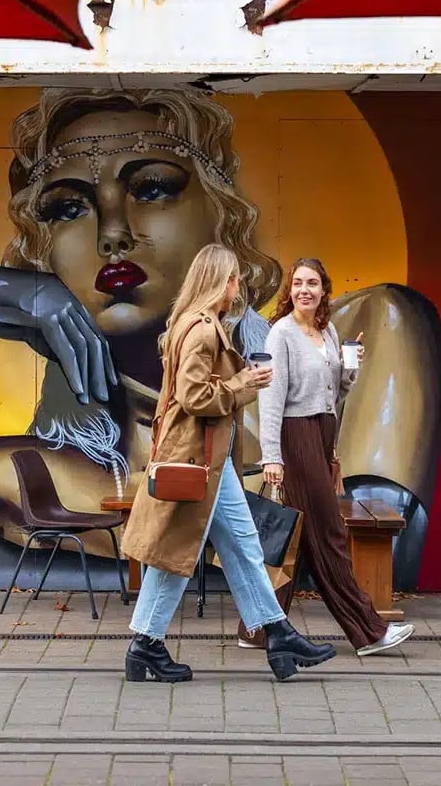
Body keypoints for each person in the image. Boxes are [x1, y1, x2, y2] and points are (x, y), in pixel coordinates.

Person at [0, 88, 441, 596]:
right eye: (67, 207)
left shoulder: (358, 329)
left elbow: (371, 570)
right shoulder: (29, 472)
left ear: (222, 220)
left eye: (154, 187)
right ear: (40, 258)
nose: (113, 232)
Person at [122, 244, 336, 683]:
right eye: (234, 277)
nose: (238, 286)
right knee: (180, 553)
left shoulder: (192, 324)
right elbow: (195, 397)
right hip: (201, 462)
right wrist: (244, 383)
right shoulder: (201, 329)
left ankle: (276, 634)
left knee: (240, 547)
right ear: (221, 281)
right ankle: (147, 643)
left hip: (205, 461)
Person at [256, 259, 415, 656]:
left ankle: (257, 629)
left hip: (322, 433)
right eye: (297, 283)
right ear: (289, 291)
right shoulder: (281, 334)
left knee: (295, 538)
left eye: (312, 283)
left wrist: (350, 369)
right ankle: (368, 631)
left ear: (325, 290)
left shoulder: (327, 332)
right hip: (296, 435)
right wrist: (271, 457)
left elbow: (334, 397)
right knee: (328, 532)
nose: (304, 290)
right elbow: (270, 401)